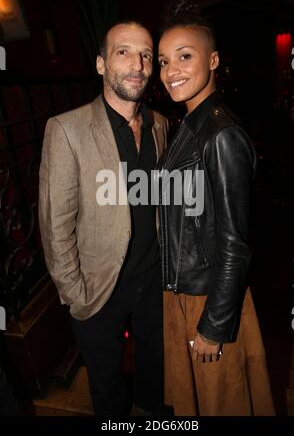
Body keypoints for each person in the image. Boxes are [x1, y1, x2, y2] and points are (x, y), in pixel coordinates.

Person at [38, 20, 168, 416]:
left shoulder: (160, 124)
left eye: (146, 54)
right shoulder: (65, 130)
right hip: (98, 288)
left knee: (155, 371)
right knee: (107, 384)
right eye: (123, 52)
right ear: (100, 64)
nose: (138, 64)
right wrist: (75, 292)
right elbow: (54, 224)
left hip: (153, 278)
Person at [157, 0, 275, 416]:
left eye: (185, 56)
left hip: (209, 298)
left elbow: (234, 243)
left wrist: (213, 324)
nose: (172, 70)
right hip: (182, 292)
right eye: (164, 60)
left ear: (214, 60)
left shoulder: (221, 134)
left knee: (222, 402)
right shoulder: (189, 125)